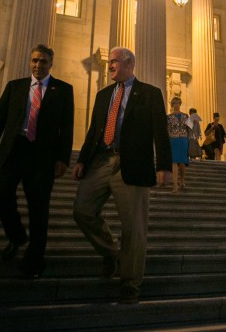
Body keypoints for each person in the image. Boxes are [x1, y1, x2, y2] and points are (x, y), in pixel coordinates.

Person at [72, 47, 172, 304]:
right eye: (109, 62)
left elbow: (160, 131)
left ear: (129, 63)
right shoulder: (104, 95)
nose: (110, 66)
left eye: (114, 61)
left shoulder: (150, 94)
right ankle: (110, 251)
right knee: (82, 210)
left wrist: (164, 166)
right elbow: (94, 130)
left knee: (134, 228)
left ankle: (130, 283)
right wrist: (83, 159)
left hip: (132, 164)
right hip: (101, 160)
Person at [0, 45, 74, 278]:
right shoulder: (15, 87)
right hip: (13, 151)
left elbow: (66, 127)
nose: (38, 65)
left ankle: (34, 261)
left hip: (42, 156)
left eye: (43, 61)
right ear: (30, 62)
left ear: (51, 63)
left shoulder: (62, 90)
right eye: (34, 61)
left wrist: (63, 158)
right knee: (1, 199)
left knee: (39, 209)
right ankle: (18, 236)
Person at [167, 97, 192, 193]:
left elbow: (190, 129)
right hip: (173, 139)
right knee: (173, 161)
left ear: (180, 104)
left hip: (183, 139)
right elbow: (167, 130)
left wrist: (189, 140)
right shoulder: (168, 117)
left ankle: (182, 180)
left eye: (178, 103)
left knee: (182, 162)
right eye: (174, 103)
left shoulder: (185, 116)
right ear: (172, 105)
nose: (176, 105)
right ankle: (175, 185)